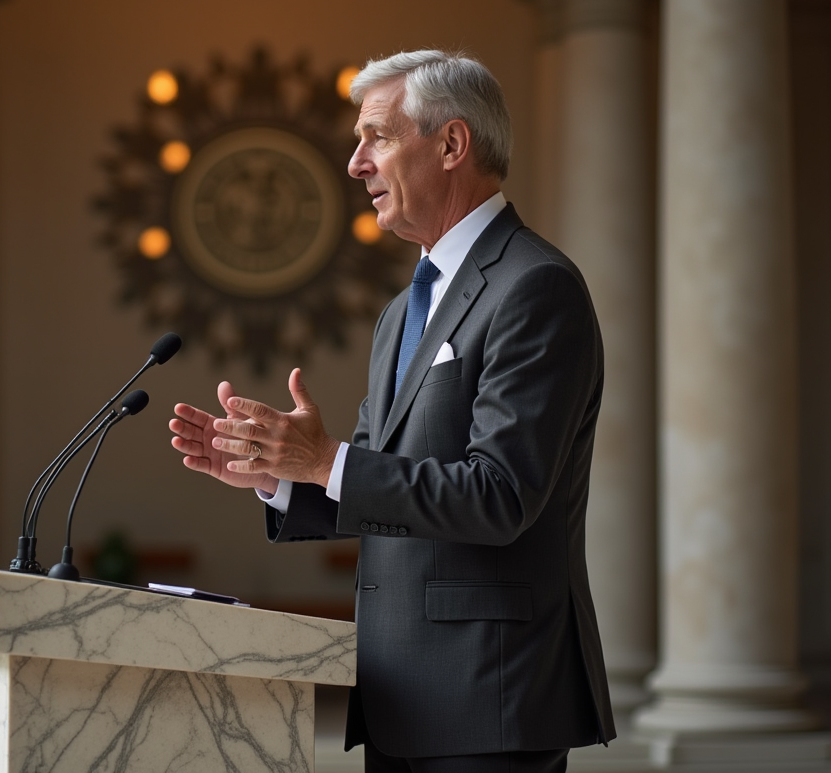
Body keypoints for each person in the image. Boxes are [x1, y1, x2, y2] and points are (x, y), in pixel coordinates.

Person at [169, 49, 615, 773]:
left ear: (451, 144)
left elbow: (500, 496)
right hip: (400, 699)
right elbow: (376, 489)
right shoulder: (401, 311)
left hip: (490, 701)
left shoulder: (536, 288)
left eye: (376, 136)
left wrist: (325, 460)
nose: (355, 163)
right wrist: (278, 474)